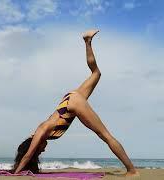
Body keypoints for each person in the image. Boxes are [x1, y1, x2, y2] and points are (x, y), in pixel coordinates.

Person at [12, 29, 140, 177]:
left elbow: (27, 155)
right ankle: (87, 41)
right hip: (68, 101)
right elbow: (29, 151)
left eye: (39, 150)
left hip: (72, 104)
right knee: (96, 73)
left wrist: (15, 174)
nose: (43, 150)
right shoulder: (40, 132)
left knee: (105, 135)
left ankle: (132, 170)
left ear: (34, 144)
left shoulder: (41, 131)